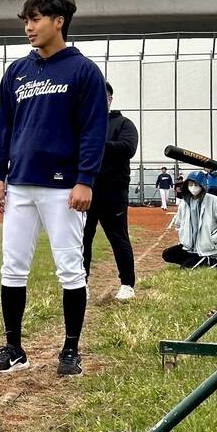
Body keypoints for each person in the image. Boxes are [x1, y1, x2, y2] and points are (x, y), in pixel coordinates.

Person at [0, 0, 108, 377]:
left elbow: (93, 129)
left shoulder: (83, 71)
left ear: (59, 21)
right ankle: (14, 348)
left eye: (36, 19)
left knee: (71, 268)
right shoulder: (17, 71)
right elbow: (2, 125)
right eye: (26, 20)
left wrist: (85, 179)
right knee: (12, 267)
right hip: (20, 183)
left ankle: (70, 351)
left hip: (64, 187)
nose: (28, 27)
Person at [82, 82, 138, 301]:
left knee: (118, 238)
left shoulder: (123, 123)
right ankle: (81, 283)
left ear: (110, 99)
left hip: (113, 191)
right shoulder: (83, 124)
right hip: (85, 190)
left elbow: (127, 148)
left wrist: (95, 144)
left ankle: (127, 284)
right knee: (82, 239)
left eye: (102, 96)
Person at [162, 170, 217, 269]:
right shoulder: (184, 203)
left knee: (185, 269)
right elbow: (178, 223)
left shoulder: (214, 202)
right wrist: (184, 237)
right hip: (189, 247)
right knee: (167, 254)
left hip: (206, 248)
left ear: (202, 185)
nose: (193, 187)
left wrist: (212, 239)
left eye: (196, 184)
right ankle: (192, 260)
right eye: (190, 184)